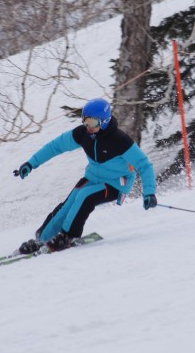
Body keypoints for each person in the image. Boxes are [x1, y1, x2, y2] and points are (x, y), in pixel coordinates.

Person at [14, 98, 158, 253]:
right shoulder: (83, 134)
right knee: (68, 204)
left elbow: (144, 165)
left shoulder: (120, 141)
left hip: (116, 183)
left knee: (85, 196)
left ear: (104, 121)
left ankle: (68, 236)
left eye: (92, 122)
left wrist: (149, 192)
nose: (88, 126)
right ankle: (42, 240)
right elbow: (56, 146)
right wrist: (31, 164)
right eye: (85, 121)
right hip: (93, 178)